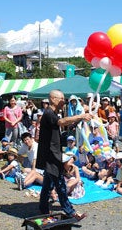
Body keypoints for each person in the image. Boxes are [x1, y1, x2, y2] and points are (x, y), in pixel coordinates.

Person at [36, 89, 92, 221]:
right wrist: (81, 116)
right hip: (51, 155)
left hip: (52, 153)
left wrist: (77, 121)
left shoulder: (52, 113)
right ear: (53, 99)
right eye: (61, 99)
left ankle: (43, 208)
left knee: (48, 183)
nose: (63, 101)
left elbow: (63, 122)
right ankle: (70, 211)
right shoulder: (49, 113)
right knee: (60, 184)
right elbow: (61, 122)